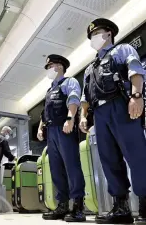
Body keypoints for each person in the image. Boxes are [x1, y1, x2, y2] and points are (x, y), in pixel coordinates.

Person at [79, 18, 146, 225]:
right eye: (91, 35)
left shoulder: (122, 50)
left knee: (136, 155)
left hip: (121, 107)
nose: (93, 38)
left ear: (109, 33)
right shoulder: (90, 68)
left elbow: (135, 71)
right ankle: (121, 208)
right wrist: (82, 116)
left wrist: (136, 97)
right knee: (109, 161)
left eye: (97, 33)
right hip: (100, 114)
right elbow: (85, 97)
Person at [37, 55, 86, 222]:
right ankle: (62, 205)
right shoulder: (49, 90)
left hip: (65, 128)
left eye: (50, 66)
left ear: (59, 66)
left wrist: (70, 118)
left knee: (72, 168)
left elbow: (74, 98)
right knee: (56, 169)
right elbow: (45, 112)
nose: (48, 70)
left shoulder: (69, 82)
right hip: (51, 132)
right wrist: (40, 127)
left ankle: (78, 206)